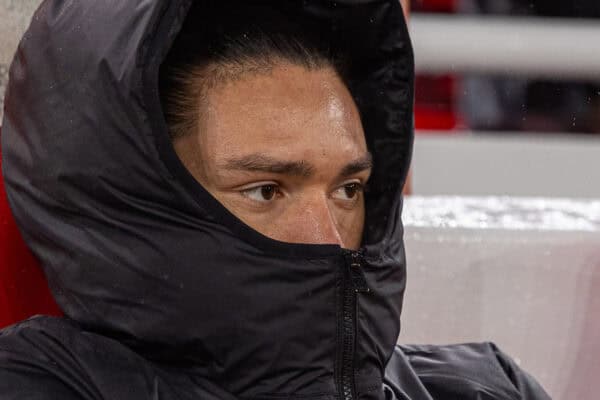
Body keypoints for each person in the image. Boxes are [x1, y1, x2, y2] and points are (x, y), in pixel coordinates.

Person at [0, 1, 550, 399]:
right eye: (266, 190)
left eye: (348, 189)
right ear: (132, 203)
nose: (330, 240)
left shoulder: (486, 386)